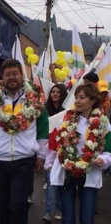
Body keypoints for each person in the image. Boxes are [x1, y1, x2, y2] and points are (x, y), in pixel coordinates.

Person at [0, 59, 49, 224]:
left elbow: (43, 129)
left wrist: (41, 156)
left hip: (23, 162)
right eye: (8, 74)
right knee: (2, 207)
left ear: (22, 76)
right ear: (2, 77)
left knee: (18, 205)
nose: (11, 77)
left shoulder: (34, 100)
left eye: (15, 73)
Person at [49, 84, 111, 224]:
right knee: (68, 217)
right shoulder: (66, 119)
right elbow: (55, 142)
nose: (77, 101)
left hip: (89, 172)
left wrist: (103, 159)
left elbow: (108, 150)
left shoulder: (103, 123)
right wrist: (49, 161)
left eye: (82, 97)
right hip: (67, 172)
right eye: (76, 97)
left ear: (93, 100)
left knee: (87, 218)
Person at [43, 84, 67, 222]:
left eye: (58, 92)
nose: (55, 94)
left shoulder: (67, 112)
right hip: (48, 151)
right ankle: (48, 212)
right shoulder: (45, 110)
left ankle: (59, 208)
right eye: (53, 92)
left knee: (60, 183)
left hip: (62, 150)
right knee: (51, 183)